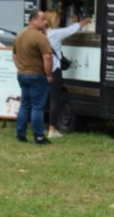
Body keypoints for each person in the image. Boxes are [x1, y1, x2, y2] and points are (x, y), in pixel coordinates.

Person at [44, 11, 91, 139]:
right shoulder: (55, 34)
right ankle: (52, 129)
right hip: (54, 70)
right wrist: (87, 20)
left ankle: (39, 126)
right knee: (55, 100)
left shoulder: (42, 34)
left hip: (42, 70)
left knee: (42, 100)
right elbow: (72, 29)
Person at [13, 9, 53, 145]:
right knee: (37, 106)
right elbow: (47, 57)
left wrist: (20, 68)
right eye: (43, 19)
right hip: (37, 75)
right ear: (34, 20)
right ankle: (38, 136)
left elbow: (14, 55)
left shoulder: (19, 35)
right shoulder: (40, 37)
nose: (45, 22)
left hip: (22, 74)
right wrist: (48, 74)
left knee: (24, 105)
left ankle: (20, 134)